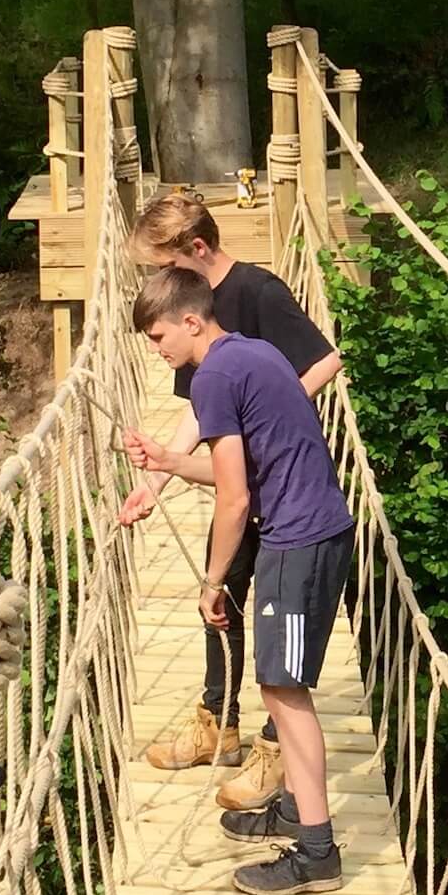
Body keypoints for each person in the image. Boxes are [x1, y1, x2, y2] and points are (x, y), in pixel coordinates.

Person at [132, 266, 354, 895]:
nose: (158, 351)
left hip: (296, 542)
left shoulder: (214, 377)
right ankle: (291, 807)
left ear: (192, 321)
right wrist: (170, 462)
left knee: (284, 692)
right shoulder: (253, 353)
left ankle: (316, 852)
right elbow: (253, 465)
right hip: (320, 529)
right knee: (279, 682)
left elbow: (234, 499)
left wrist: (212, 582)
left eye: (159, 337)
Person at [118, 193, 341, 814]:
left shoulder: (256, 293)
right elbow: (205, 413)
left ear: (194, 254)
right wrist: (156, 477)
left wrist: (271, 413)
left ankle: (276, 752)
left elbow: (326, 358)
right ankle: (219, 717)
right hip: (247, 479)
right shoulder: (193, 324)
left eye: (160, 265)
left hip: (279, 497)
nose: (154, 281)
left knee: (251, 608)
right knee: (220, 600)